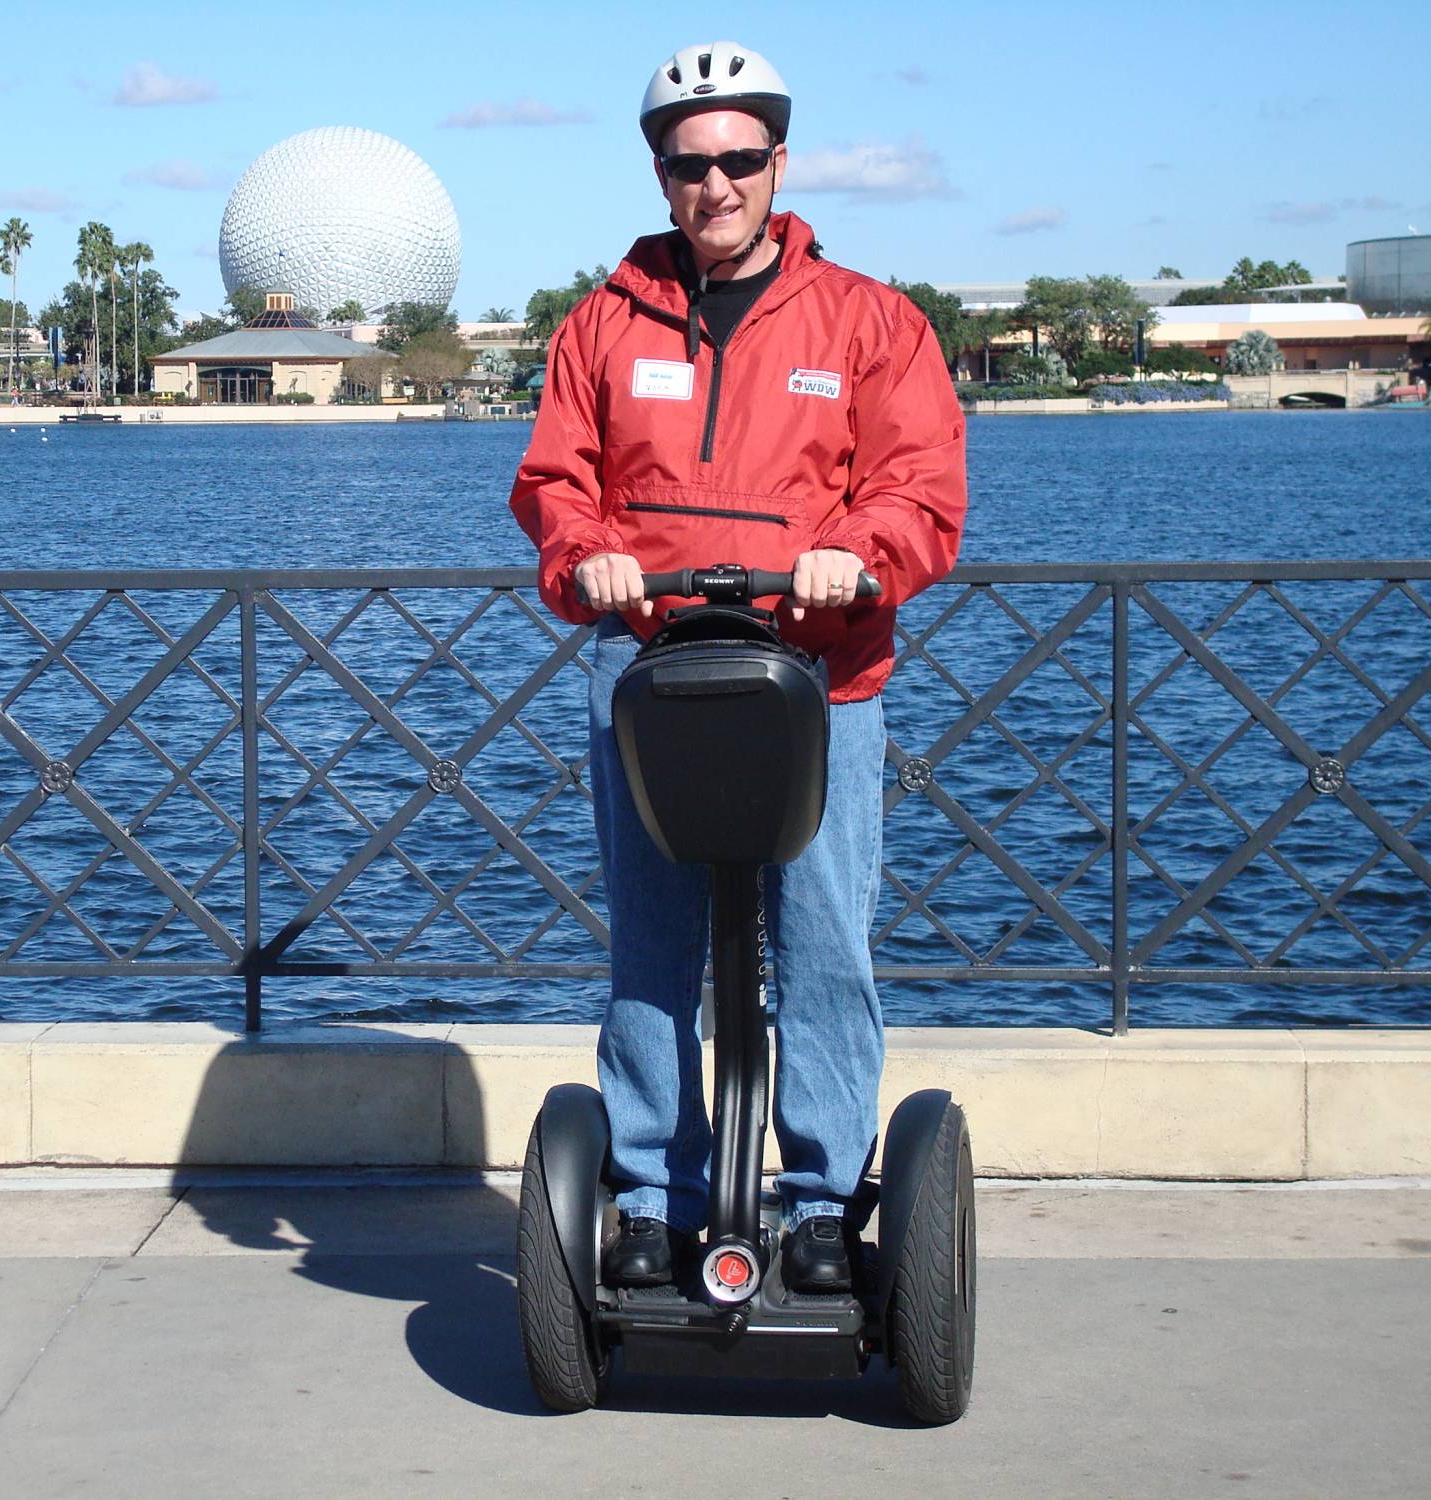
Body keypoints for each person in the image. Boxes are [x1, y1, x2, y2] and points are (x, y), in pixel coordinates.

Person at [508, 41, 966, 1295]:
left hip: (818, 678)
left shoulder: (869, 322)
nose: (715, 186)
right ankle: (651, 1191)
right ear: (659, 175)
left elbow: (918, 488)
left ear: (777, 161)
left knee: (822, 944)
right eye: (687, 164)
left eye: (738, 160)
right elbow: (555, 484)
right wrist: (588, 558)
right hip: (650, 673)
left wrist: (855, 559)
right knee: (650, 951)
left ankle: (822, 1202)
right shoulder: (601, 324)